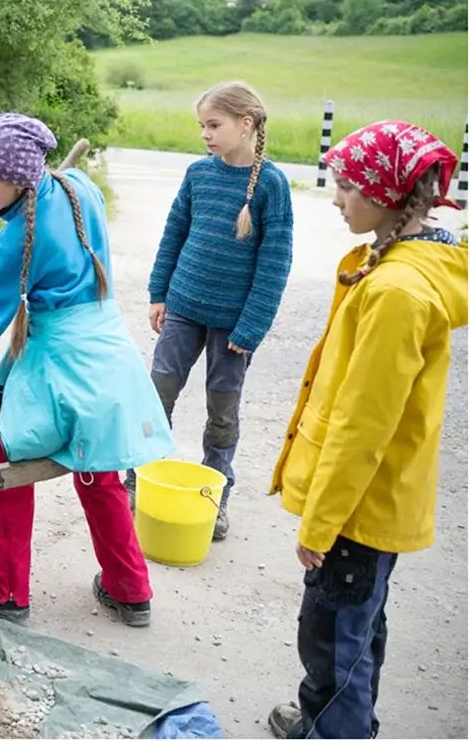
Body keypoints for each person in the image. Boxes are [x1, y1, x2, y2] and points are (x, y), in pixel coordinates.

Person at [0, 112, 174, 627]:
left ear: (18, 179)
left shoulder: (11, 243)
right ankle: (131, 590)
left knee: (6, 461)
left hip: (64, 361)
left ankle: (4, 592)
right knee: (96, 463)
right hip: (107, 351)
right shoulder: (78, 186)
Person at [266, 121, 467, 740]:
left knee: (332, 641)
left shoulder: (398, 291)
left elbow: (363, 427)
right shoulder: (406, 263)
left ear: (387, 196)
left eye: (348, 187)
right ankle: (334, 719)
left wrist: (321, 523)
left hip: (357, 508)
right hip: (369, 502)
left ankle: (337, 729)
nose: (335, 198)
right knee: (354, 628)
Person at [127, 81, 293, 541]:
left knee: (222, 410)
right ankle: (137, 479)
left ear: (247, 125)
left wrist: (253, 326)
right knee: (158, 393)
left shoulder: (272, 186)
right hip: (183, 307)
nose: (206, 134)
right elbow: (173, 234)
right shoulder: (198, 175)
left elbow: (275, 262)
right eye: (202, 125)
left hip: (234, 325)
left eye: (214, 125)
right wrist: (159, 293)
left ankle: (214, 497)